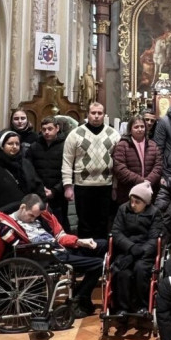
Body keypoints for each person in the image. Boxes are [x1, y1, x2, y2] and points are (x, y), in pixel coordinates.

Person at [0, 194, 105, 318]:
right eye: (31, 216)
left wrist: (79, 241)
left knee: (102, 245)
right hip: (47, 257)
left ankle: (81, 294)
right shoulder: (2, 224)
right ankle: (79, 297)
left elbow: (60, 236)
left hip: (60, 249)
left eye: (35, 217)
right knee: (99, 264)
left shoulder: (43, 215)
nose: (33, 219)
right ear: (22, 207)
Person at [0, 131, 45, 248]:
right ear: (2, 146)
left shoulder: (25, 164)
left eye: (17, 143)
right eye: (10, 144)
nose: (14, 147)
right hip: (5, 223)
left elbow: (38, 186)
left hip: (29, 220)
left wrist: (38, 207)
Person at [62, 102, 121, 239]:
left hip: (105, 186)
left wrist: (115, 186)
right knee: (84, 224)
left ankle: (101, 251)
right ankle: (85, 250)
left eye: (99, 113)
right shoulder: (75, 134)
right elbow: (67, 161)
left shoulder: (113, 134)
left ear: (104, 115)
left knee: (103, 224)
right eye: (93, 113)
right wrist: (67, 186)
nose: (96, 116)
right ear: (87, 114)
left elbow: (118, 163)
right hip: (83, 186)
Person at [109, 182, 164, 316]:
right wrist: (131, 247)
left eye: (137, 202)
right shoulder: (123, 209)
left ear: (146, 203)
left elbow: (154, 239)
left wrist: (138, 252)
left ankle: (142, 306)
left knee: (141, 270)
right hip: (125, 250)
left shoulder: (154, 213)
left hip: (144, 254)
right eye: (131, 201)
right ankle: (122, 308)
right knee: (122, 272)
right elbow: (116, 232)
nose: (133, 205)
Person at [26, 116, 71, 228]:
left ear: (57, 128)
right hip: (39, 193)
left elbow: (69, 170)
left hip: (58, 194)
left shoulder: (65, 146)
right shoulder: (34, 146)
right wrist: (41, 188)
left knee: (59, 224)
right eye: (44, 129)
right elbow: (29, 169)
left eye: (50, 129)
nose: (46, 132)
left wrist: (55, 190)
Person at [112, 115, 163, 206]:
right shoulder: (122, 145)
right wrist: (142, 181)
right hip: (128, 191)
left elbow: (158, 166)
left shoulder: (153, 145)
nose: (140, 129)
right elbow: (120, 168)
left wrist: (148, 181)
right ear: (130, 129)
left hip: (149, 190)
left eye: (142, 126)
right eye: (136, 127)